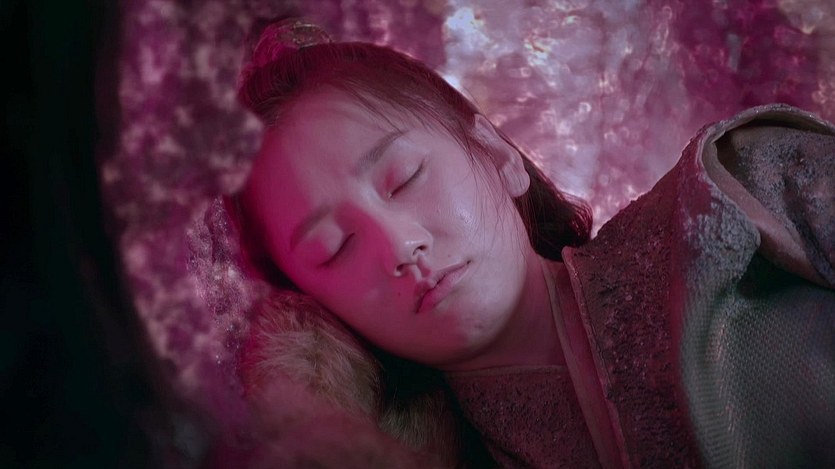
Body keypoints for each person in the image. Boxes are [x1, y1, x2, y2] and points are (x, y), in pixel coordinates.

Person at [230, 17, 835, 468]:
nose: (401, 246)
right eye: (334, 247)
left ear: (498, 156)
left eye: (404, 178)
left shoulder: (736, 184)